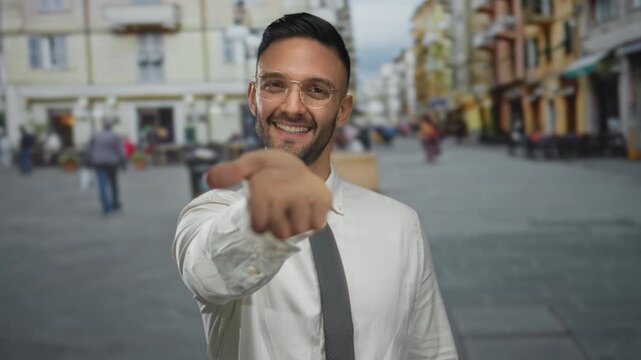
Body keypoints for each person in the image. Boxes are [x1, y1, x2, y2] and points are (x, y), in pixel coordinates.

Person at [172, 13, 457, 360]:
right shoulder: (208, 215)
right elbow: (210, 275)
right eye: (275, 85)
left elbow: (431, 350)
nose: (292, 107)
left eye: (316, 90)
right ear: (253, 97)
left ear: (342, 109)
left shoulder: (401, 225)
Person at [85, 118, 126, 214]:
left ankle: (106, 207)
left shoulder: (95, 135)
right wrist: (123, 162)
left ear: (103, 125)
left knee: (102, 184)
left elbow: (88, 150)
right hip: (112, 163)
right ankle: (115, 202)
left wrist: (87, 162)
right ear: (111, 126)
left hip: (99, 162)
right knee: (113, 183)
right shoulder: (115, 136)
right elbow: (121, 151)